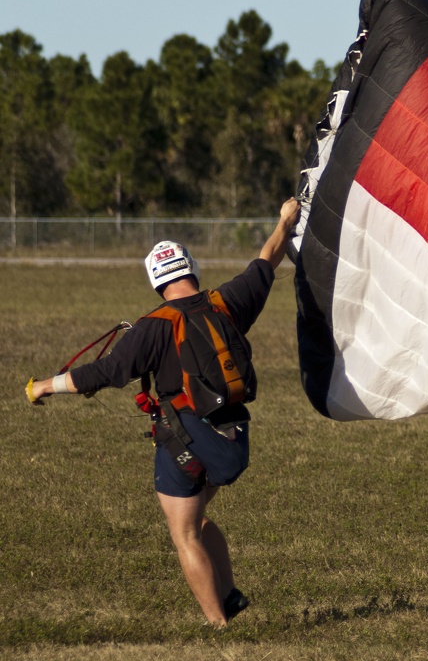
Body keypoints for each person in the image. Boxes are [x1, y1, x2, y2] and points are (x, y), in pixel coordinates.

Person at [26, 197, 301, 628]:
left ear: (156, 282)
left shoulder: (153, 325)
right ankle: (228, 595)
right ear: (191, 267)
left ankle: (218, 626)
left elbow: (102, 373)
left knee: (185, 533)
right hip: (235, 442)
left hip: (189, 443)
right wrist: (286, 219)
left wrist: (45, 385)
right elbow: (267, 257)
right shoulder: (228, 300)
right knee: (197, 515)